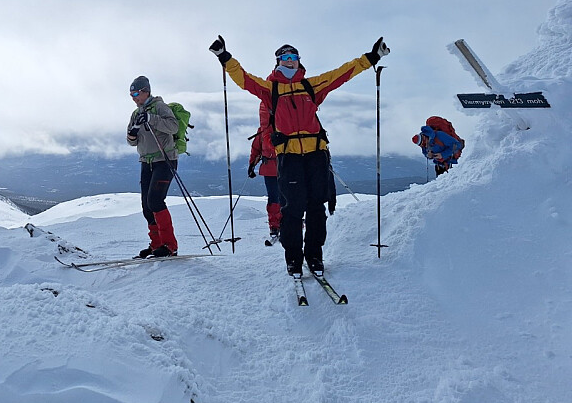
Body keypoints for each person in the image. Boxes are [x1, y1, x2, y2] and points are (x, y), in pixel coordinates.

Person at [209, 35, 390, 276]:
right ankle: (293, 258)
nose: (290, 61)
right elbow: (244, 79)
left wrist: (372, 57)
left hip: (316, 155)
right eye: (285, 58)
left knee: (316, 208)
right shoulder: (270, 88)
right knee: (292, 209)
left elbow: (342, 74)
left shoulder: (311, 85)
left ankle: (314, 256)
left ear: (299, 62)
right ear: (277, 62)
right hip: (289, 158)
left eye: (294, 57)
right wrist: (224, 56)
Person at [126, 75, 180, 258]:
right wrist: (132, 135)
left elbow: (173, 127)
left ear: (145, 91)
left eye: (135, 93)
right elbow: (131, 141)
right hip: (146, 161)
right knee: (147, 206)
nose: (133, 97)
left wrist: (152, 118)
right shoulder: (135, 114)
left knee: (155, 201)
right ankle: (157, 244)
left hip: (165, 160)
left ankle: (169, 245)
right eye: (131, 94)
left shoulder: (159, 107)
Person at [248, 114, 281, 241]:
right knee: (288, 197)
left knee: (274, 198)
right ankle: (288, 223)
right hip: (287, 168)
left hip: (270, 169)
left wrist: (252, 164)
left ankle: (275, 226)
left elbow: (256, 148)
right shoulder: (289, 126)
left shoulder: (263, 130)